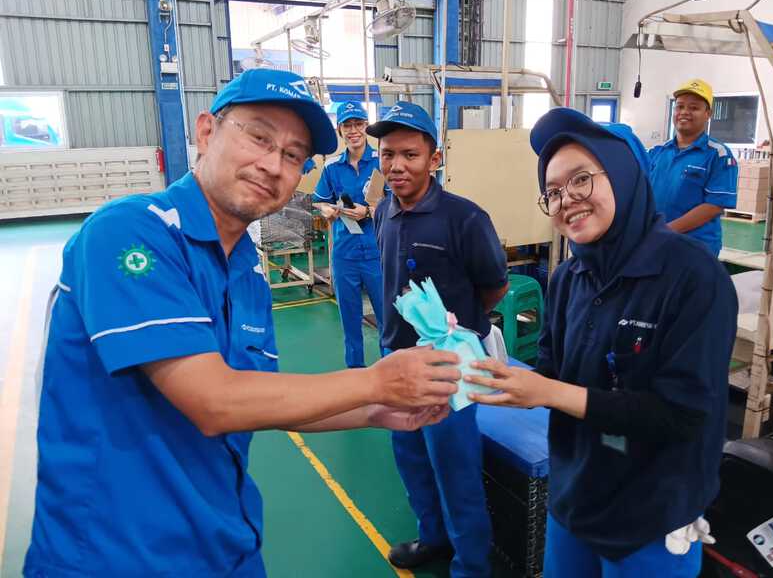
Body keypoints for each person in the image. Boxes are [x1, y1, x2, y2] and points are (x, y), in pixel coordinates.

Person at [23, 69, 461, 578]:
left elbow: (259, 395)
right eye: (258, 137)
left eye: (293, 155)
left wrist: (375, 410)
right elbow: (215, 401)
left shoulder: (246, 271)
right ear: (206, 132)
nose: (273, 165)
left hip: (225, 544)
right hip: (117, 557)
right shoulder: (130, 233)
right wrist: (376, 381)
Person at [465, 107, 738, 578]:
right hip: (574, 500)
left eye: (581, 180)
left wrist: (550, 392)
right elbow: (551, 372)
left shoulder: (694, 278)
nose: (565, 199)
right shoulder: (568, 277)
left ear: (625, 176)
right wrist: (486, 372)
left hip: (651, 518)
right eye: (552, 191)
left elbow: (683, 415)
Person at [367, 101, 510, 578]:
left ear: (435, 158)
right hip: (395, 357)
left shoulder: (464, 218)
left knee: (456, 470)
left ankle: (471, 566)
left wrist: (458, 331)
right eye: (388, 154)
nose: (396, 165)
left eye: (410, 154)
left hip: (447, 367)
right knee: (411, 460)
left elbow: (494, 286)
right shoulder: (383, 211)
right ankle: (433, 538)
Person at [313, 101, 384, 368]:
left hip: (377, 253)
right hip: (344, 254)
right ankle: (355, 374)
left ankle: (391, 372)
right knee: (350, 322)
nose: (353, 131)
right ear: (340, 130)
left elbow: (397, 203)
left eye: (358, 124)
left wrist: (369, 211)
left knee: (387, 320)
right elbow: (319, 200)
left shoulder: (381, 162)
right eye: (347, 126)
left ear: (366, 126)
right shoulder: (332, 167)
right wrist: (327, 210)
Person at [648, 79, 738, 256]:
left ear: (708, 113)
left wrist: (665, 231)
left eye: (694, 108)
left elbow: (714, 205)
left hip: (695, 249)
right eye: (680, 107)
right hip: (657, 244)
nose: (684, 112)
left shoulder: (718, 155)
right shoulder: (657, 152)